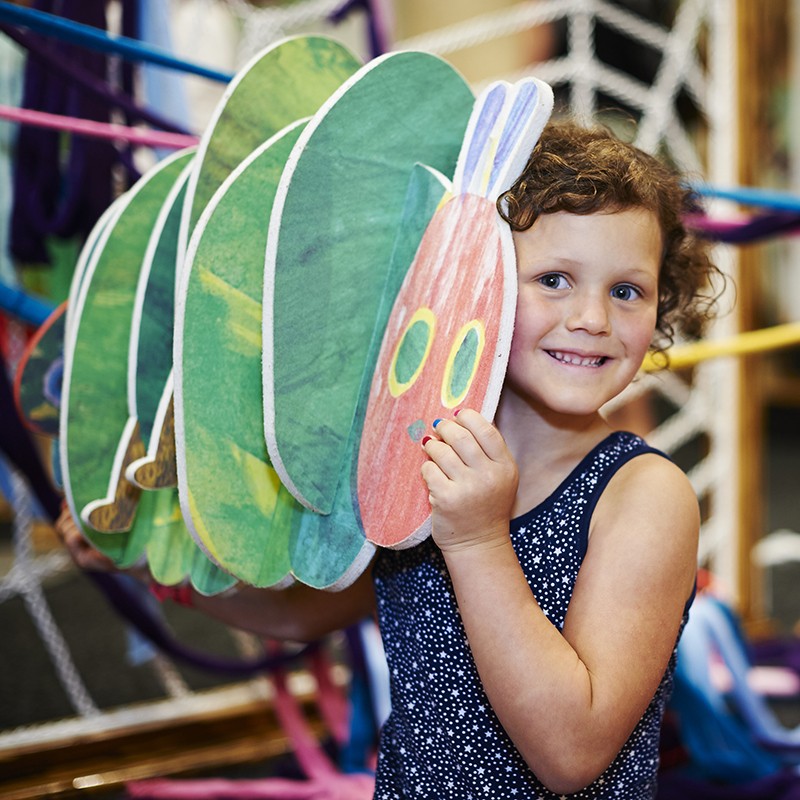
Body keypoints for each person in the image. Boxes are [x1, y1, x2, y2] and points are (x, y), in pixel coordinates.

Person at [57, 120, 721, 799]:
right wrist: (145, 565)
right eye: (554, 279)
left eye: (627, 290)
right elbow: (304, 614)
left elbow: (572, 752)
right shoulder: (413, 450)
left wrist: (477, 537)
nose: (593, 319)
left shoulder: (643, 496)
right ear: (473, 281)